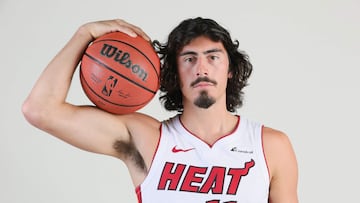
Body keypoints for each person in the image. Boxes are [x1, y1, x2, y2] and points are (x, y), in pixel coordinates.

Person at [22, 17, 298, 203]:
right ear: (174, 75)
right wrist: (84, 34)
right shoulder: (147, 138)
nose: (201, 68)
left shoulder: (271, 146)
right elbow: (40, 110)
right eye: (189, 59)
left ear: (230, 70)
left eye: (213, 57)